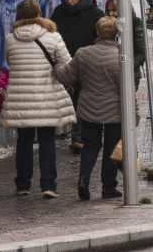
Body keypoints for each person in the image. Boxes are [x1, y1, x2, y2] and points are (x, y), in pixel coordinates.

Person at [3, 0, 75, 198]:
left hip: (21, 98)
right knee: (47, 140)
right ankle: (49, 185)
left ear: (19, 16)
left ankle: (23, 184)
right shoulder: (53, 37)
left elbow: (10, 63)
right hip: (46, 97)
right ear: (39, 14)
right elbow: (68, 64)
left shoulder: (10, 39)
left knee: (24, 140)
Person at [53, 17, 127, 200]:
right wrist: (135, 114)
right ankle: (108, 187)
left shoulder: (83, 53)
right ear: (117, 34)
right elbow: (127, 89)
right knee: (111, 148)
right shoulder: (121, 56)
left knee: (90, 146)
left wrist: (56, 64)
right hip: (114, 111)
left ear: (97, 32)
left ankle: (83, 180)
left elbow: (67, 77)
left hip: (88, 108)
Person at [49, 0, 104, 153]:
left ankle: (78, 138)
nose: (70, 0)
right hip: (63, 63)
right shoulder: (58, 12)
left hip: (85, 63)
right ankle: (55, 134)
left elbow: (101, 38)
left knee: (80, 101)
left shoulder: (94, 13)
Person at [103, 0, 146, 91]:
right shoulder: (105, 25)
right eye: (108, 10)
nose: (110, 14)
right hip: (110, 73)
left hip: (129, 73)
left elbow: (142, 52)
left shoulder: (135, 24)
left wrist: (128, 66)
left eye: (114, 10)